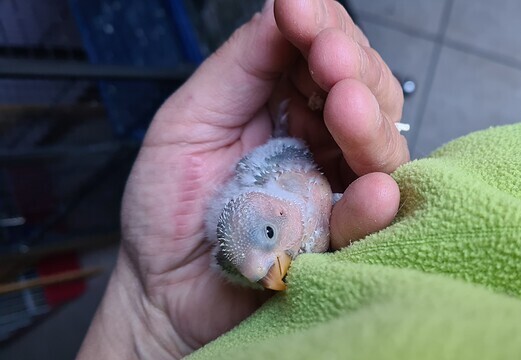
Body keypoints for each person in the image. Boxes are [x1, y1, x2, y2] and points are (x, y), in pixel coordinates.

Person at [77, 0, 408, 358]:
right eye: (258, 275)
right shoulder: (263, 258)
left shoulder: (286, 172)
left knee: (359, 136)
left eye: (267, 241)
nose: (270, 276)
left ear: (279, 213)